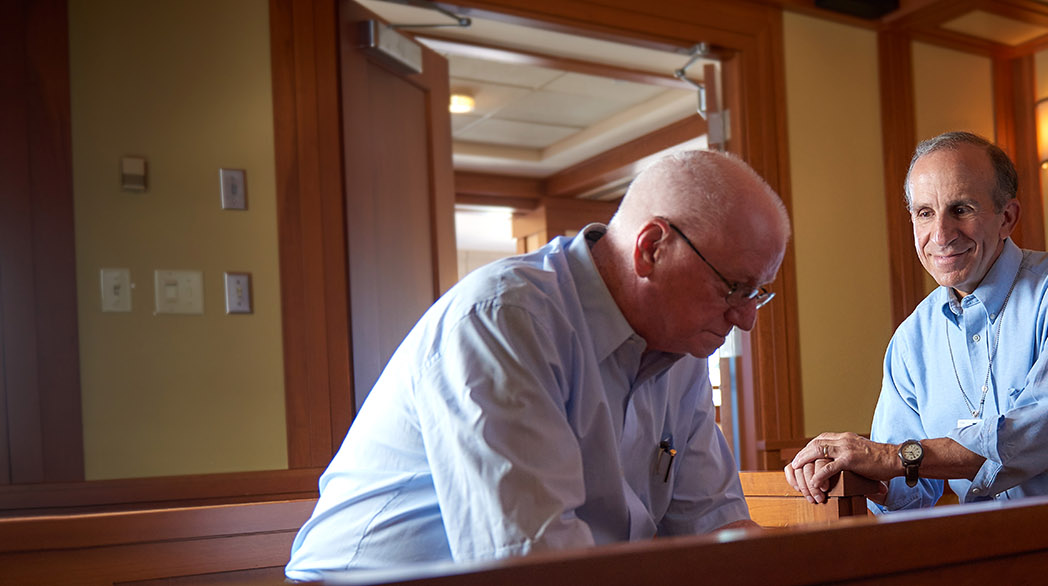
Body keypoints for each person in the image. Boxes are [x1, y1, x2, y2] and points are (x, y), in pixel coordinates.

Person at [286, 150, 789, 580]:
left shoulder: (682, 348)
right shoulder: (502, 320)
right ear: (651, 248)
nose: (745, 320)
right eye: (734, 288)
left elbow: (716, 531)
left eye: (758, 294)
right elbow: (534, 567)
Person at [783, 132, 1048, 511]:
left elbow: (1045, 432)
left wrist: (890, 459)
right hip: (985, 549)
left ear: (1007, 217)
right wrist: (847, 473)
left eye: (961, 209)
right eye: (925, 213)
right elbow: (905, 489)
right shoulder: (912, 339)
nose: (940, 235)